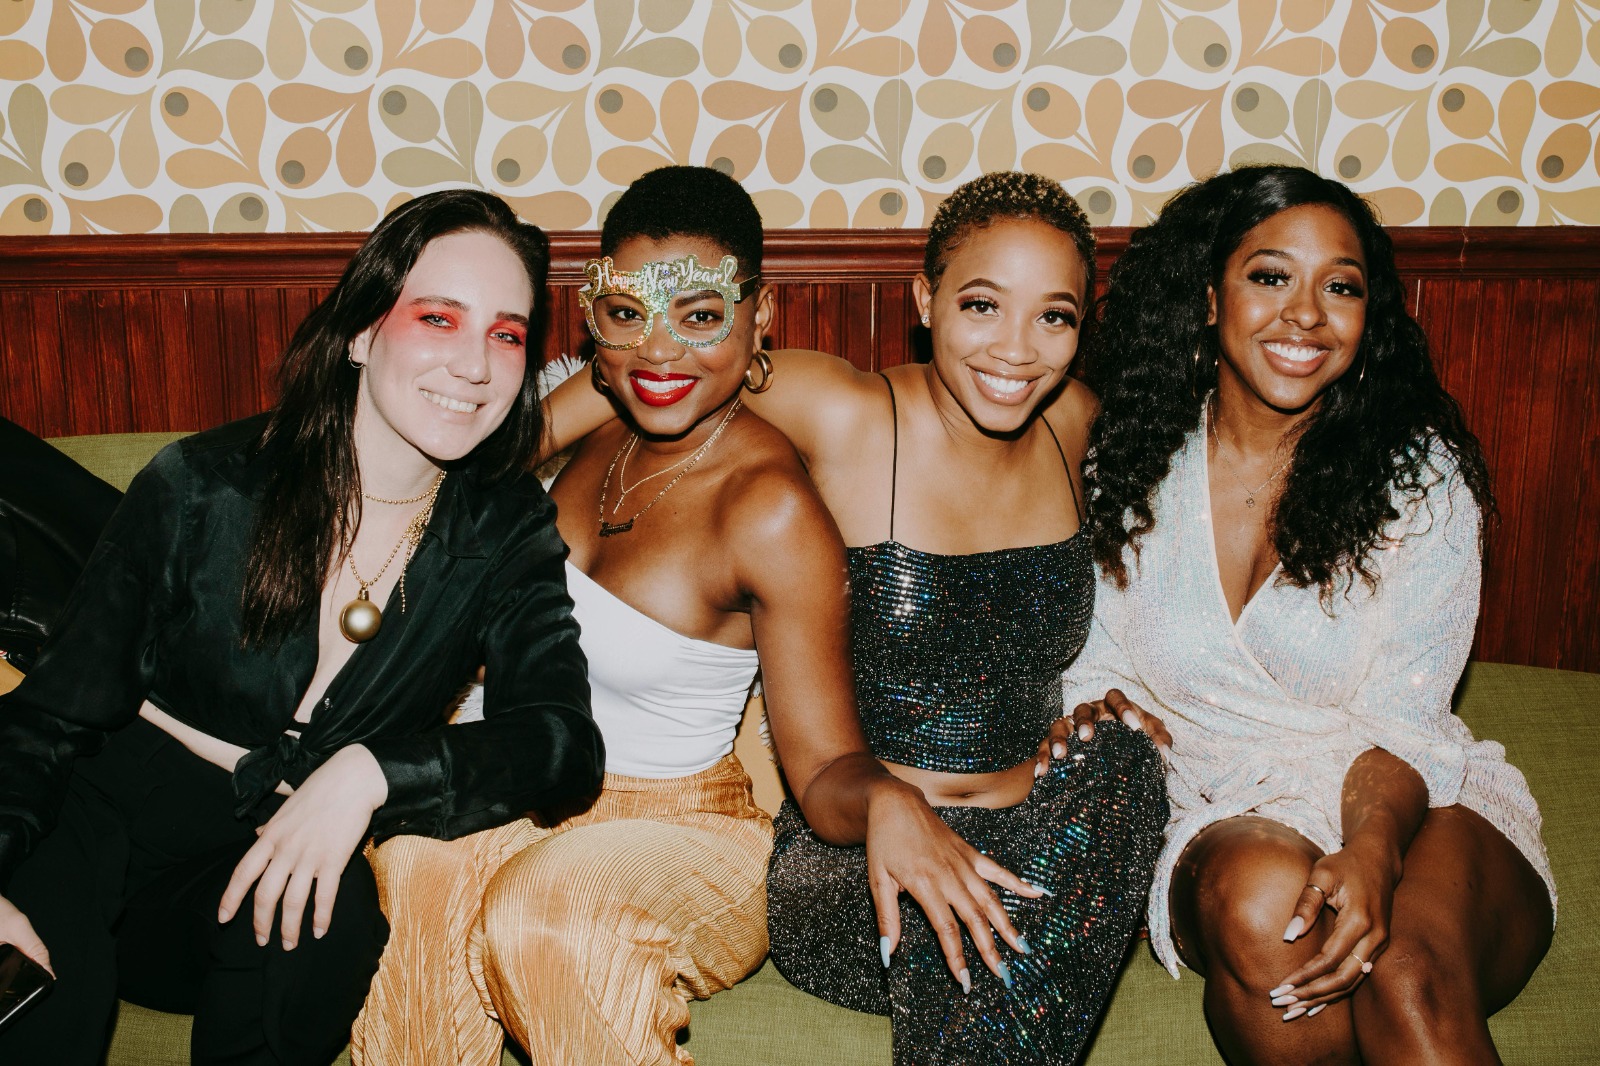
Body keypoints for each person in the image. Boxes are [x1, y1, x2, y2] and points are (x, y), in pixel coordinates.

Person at [352, 166, 1041, 1066]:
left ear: (760, 319)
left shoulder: (768, 507)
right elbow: (475, 457)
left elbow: (825, 759)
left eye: (702, 316)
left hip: (679, 826)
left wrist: (887, 802)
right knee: (412, 862)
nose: (661, 352)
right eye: (628, 314)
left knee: (547, 908)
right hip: (518, 781)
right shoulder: (601, 412)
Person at [544, 170, 1170, 1065]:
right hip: (850, 856)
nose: (1017, 350)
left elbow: (1171, 583)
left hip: (1030, 847)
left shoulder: (1080, 425)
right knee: (981, 929)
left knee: (1128, 768)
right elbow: (636, 374)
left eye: (1055, 317)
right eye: (984, 305)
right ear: (926, 298)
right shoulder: (841, 411)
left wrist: (1121, 698)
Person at [0, 189, 602, 1065]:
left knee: (328, 925)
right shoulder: (205, 487)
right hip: (91, 815)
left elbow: (562, 741)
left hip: (237, 873)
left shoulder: (503, 528)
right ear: (361, 334)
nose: (475, 365)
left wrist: (369, 772)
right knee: (42, 1003)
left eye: (506, 334)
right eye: (439, 318)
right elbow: (51, 715)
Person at [1051, 164, 1554, 1064]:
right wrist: (1099, 716)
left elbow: (1411, 722)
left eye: (1342, 287)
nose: (1307, 313)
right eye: (1271, 276)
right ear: (1210, 299)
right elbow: (1095, 662)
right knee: (1262, 902)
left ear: (1370, 320)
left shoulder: (1419, 480)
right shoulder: (1126, 459)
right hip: (1222, 805)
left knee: (1402, 968)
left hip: (1413, 796)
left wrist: (1372, 850)